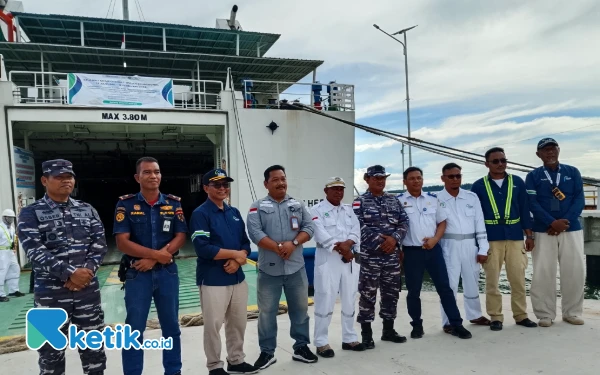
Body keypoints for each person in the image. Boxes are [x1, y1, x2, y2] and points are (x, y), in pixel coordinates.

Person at [17, 159, 107, 375]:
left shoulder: (87, 209)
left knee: (94, 353)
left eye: (69, 176)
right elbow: (34, 250)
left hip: (87, 294)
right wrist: (70, 274)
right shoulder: (30, 213)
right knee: (50, 356)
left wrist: (86, 273)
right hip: (51, 297)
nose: (66, 181)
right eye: (59, 177)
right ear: (44, 180)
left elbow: (99, 244)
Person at [113, 156, 187, 375]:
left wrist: (155, 259)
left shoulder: (173, 203)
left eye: (156, 171)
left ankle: (173, 371)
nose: (153, 176)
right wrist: (157, 254)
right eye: (147, 172)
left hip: (167, 273)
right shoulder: (125, 204)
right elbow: (122, 242)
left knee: (171, 328)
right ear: (137, 177)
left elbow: (181, 235)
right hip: (138, 275)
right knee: (134, 330)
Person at [246, 165, 317, 369]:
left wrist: (292, 244)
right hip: (269, 270)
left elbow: (309, 227)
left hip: (296, 268)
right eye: (275, 179)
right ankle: (267, 353)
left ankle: (301, 347)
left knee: (300, 310)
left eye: (283, 178)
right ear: (266, 184)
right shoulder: (257, 206)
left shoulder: (297, 204)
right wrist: (278, 247)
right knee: (267, 312)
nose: (281, 183)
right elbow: (255, 233)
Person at [190, 168, 258, 375]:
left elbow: (245, 243)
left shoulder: (234, 213)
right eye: (216, 184)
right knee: (213, 325)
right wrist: (236, 255)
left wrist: (238, 260)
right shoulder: (200, 214)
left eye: (225, 184)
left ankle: (236, 360)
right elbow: (202, 247)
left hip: (237, 277)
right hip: (212, 278)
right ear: (205, 188)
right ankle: (214, 366)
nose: (222, 188)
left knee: (238, 323)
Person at [397, 167, 472, 339]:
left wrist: (435, 239)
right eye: (412, 178)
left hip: (433, 250)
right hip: (411, 252)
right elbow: (396, 226)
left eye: (419, 178)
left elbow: (442, 223)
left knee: (445, 288)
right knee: (413, 291)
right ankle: (416, 325)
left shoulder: (433, 199)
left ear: (422, 180)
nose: (416, 181)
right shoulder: (399, 201)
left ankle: (456, 324)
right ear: (405, 182)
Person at [471, 147, 538, 331]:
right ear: (487, 164)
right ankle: (496, 316)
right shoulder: (478, 186)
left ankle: (521, 315)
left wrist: (529, 235)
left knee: (517, 278)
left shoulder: (517, 182)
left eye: (503, 160)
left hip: (515, 237)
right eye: (495, 161)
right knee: (492, 281)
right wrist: (479, 245)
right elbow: (475, 217)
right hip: (491, 239)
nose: (500, 164)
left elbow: (525, 210)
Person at [525, 138, 585, 327]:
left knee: (574, 271)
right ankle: (545, 314)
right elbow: (532, 203)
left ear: (559, 150)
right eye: (545, 150)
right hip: (543, 230)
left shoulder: (572, 172)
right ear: (538, 154)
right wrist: (552, 222)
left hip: (571, 228)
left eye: (553, 149)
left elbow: (579, 200)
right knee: (543, 273)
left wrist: (563, 223)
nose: (550, 153)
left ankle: (572, 312)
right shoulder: (533, 176)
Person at [353, 165, 409, 348]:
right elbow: (357, 225)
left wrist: (394, 239)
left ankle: (388, 330)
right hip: (370, 257)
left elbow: (404, 221)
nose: (380, 181)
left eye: (383, 178)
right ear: (367, 179)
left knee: (391, 294)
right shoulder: (359, 202)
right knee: (368, 295)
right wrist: (380, 242)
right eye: (376, 178)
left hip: (391, 257)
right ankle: (367, 335)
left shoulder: (394, 201)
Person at [311, 177, 365, 358]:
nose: (338, 192)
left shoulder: (349, 210)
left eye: (341, 189)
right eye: (334, 189)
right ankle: (321, 342)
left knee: (350, 298)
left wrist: (348, 244)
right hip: (328, 259)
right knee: (325, 298)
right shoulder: (316, 210)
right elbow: (321, 234)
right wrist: (343, 249)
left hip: (348, 259)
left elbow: (356, 230)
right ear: (326, 191)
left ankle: (349, 338)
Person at [437, 163, 491, 333]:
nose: (455, 179)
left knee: (472, 281)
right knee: (450, 285)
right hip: (448, 245)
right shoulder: (436, 198)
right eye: (451, 176)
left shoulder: (471, 197)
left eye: (458, 176)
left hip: (470, 245)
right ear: (443, 178)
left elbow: (479, 223)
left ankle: (474, 314)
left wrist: (483, 248)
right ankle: (448, 321)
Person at [0, 208, 25, 301]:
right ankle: (0, 294)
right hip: (1, 253)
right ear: (4, 218)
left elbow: (13, 239)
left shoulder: (12, 228)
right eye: (8, 218)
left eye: (12, 218)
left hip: (10, 252)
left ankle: (13, 290)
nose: (10, 220)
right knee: (1, 272)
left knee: (15, 269)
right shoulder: (0, 228)